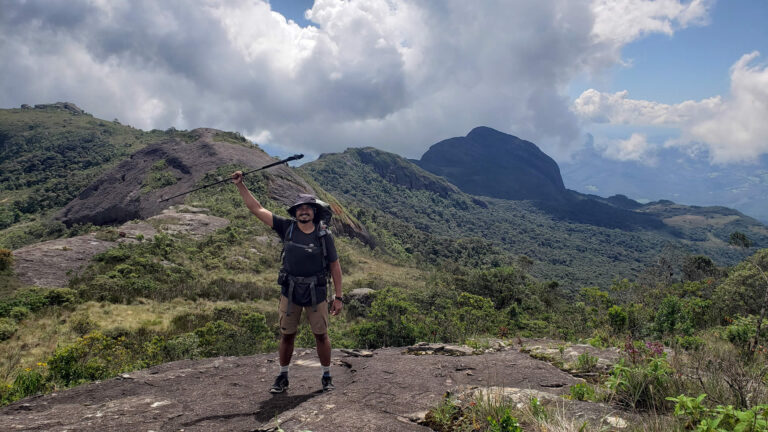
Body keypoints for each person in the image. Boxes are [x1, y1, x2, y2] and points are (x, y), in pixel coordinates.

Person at [231, 171, 343, 393]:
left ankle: (326, 376)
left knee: (321, 335)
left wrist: (338, 297)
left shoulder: (324, 235)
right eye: (299, 208)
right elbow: (256, 208)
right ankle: (282, 377)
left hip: (317, 292)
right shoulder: (286, 227)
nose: (303, 211)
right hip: (290, 291)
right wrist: (240, 185)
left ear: (314, 212)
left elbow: (335, 267)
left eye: (307, 208)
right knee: (287, 335)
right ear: (295, 212)